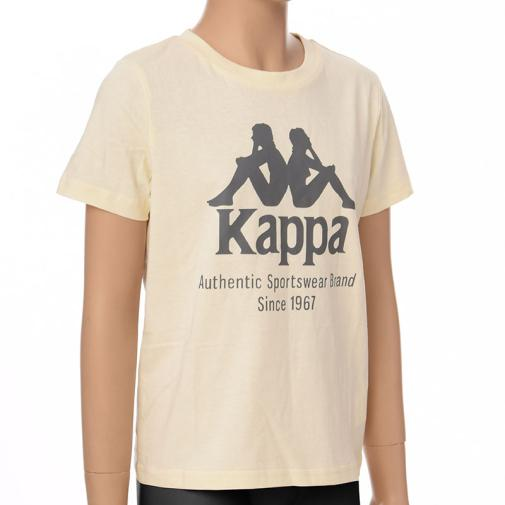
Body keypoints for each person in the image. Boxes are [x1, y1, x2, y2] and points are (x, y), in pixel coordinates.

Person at [56, 1, 414, 504]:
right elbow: (109, 314)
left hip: (325, 469)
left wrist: (393, 486)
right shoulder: (144, 86)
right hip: (191, 474)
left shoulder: (358, 93)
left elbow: (374, 297)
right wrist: (105, 496)